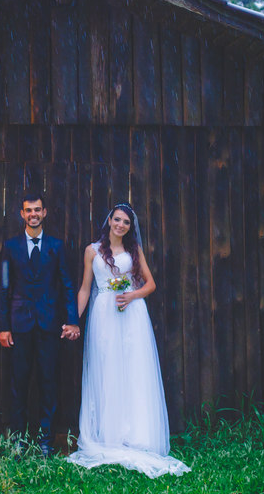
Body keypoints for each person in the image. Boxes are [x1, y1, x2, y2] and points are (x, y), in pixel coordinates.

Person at [66, 203, 190, 477]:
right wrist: (74, 319)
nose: (120, 225)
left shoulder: (134, 251)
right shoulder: (92, 251)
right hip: (102, 316)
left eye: (126, 222)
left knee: (133, 371)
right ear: (109, 220)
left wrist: (131, 296)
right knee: (106, 370)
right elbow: (86, 289)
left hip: (131, 314)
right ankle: (108, 434)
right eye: (117, 220)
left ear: (130, 227)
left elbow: (150, 284)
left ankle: (135, 434)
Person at [0, 192, 81, 457]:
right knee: (18, 384)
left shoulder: (57, 246)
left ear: (45, 213)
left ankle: (45, 440)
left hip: (48, 325)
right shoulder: (10, 247)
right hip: (19, 326)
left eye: (37, 210)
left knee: (48, 383)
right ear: (22, 214)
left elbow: (68, 285)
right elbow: (3, 288)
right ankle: (19, 440)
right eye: (28, 210)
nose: (33, 214)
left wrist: (72, 320)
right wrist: (3, 325)